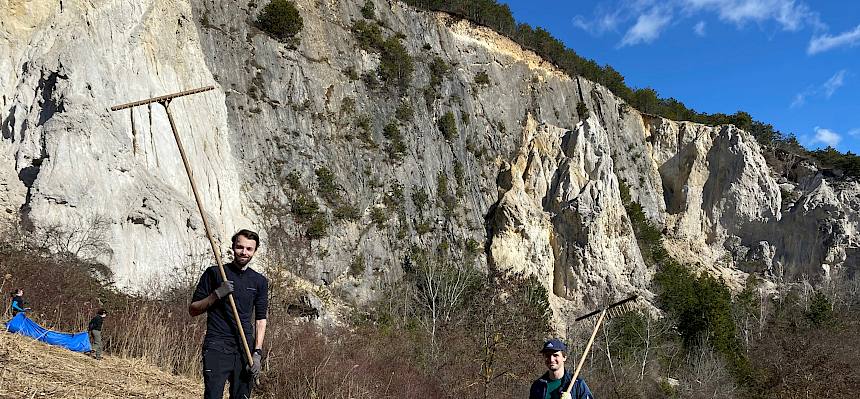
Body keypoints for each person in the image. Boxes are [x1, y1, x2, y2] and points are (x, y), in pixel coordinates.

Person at [189, 229, 269, 399]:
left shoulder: (260, 282)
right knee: (213, 396)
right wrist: (216, 295)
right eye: (240, 247)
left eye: (249, 249)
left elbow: (261, 320)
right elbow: (193, 309)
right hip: (217, 346)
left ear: (255, 251)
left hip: (244, 348)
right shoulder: (215, 273)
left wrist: (257, 353)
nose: (244, 252)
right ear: (233, 247)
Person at [529, 338, 594, 399]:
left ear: (564, 357)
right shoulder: (538, 386)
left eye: (555, 355)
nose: (551, 359)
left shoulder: (577, 384)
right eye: (548, 355)